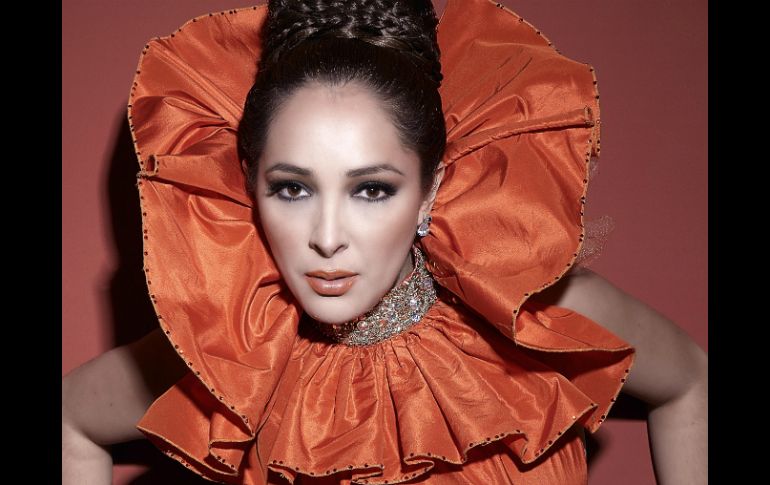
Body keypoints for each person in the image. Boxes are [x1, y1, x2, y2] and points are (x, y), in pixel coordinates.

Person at [62, 0, 707, 484]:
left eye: (371, 189)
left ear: (430, 191)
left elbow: (691, 386)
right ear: (251, 187)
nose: (327, 238)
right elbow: (72, 423)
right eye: (292, 189)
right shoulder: (226, 359)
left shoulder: (539, 316)